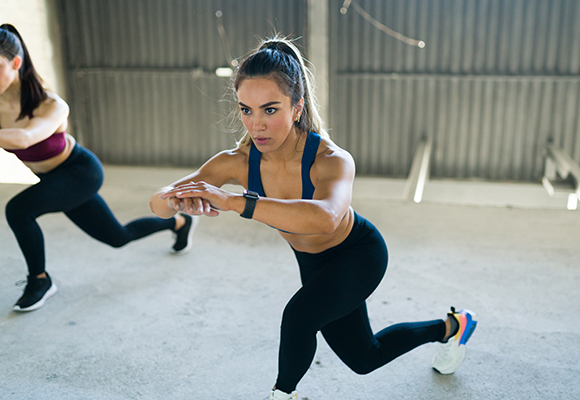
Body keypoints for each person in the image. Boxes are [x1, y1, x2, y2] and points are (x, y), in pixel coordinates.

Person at [150, 36, 477, 400]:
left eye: (270, 110)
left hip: (358, 254)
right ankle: (452, 326)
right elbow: (157, 204)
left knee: (298, 317)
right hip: (313, 263)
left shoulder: (331, 159)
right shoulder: (237, 161)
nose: (256, 125)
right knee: (365, 358)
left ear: (296, 106)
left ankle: (281, 394)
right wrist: (178, 202)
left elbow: (325, 218)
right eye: (246, 110)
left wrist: (234, 202)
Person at [0, 24, 199, 312]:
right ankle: (178, 223)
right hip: (52, 180)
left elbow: (24, 138)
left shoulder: (50, 104)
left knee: (18, 210)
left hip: (79, 172)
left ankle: (40, 280)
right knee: (117, 237)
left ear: (16, 63)